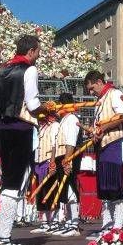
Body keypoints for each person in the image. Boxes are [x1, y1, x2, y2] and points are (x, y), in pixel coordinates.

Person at [0, 35, 42, 245]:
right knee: (13, 184)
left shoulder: (2, 69)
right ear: (31, 51)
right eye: (38, 51)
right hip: (20, 127)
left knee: (8, 181)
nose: (39, 55)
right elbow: (32, 103)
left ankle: (4, 236)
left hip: (3, 127)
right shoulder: (29, 69)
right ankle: (3, 239)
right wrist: (47, 111)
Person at [83, 70, 123, 236]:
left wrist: (104, 127)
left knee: (115, 185)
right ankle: (107, 226)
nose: (91, 91)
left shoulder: (115, 94)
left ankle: (117, 226)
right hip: (102, 147)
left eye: (92, 87)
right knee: (104, 188)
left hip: (114, 145)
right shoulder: (100, 100)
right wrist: (94, 131)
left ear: (100, 81)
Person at [49, 93, 84, 237]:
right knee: (64, 190)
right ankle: (69, 221)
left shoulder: (71, 119)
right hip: (62, 157)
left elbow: (71, 141)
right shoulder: (64, 120)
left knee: (70, 188)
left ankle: (74, 223)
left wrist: (67, 160)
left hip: (68, 156)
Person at [30, 110, 60, 234]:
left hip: (48, 161)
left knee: (51, 191)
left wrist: (52, 162)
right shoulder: (41, 128)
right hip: (39, 162)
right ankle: (45, 222)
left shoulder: (55, 126)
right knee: (41, 193)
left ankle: (55, 221)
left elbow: (54, 145)